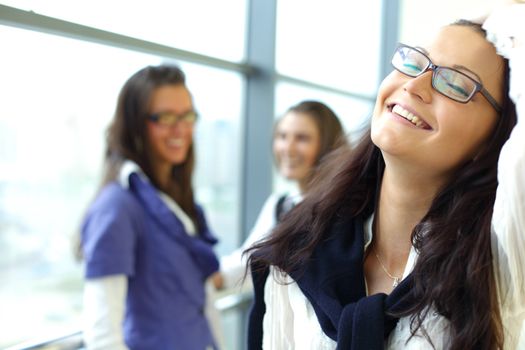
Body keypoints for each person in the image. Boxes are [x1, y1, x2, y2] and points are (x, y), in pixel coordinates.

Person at [247, 14, 525, 350]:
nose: (414, 86)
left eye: (454, 83)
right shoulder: (296, 259)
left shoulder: (500, 263)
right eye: (413, 63)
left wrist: (499, 17)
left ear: (497, 137)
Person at [80, 64, 220, 349]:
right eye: (166, 117)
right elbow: (102, 335)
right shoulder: (118, 207)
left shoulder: (174, 199)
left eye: (187, 116)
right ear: (135, 125)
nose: (180, 128)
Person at [217, 101, 348, 290]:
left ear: (328, 145)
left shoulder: (341, 208)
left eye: (302, 138)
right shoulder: (280, 204)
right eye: (282, 136)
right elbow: (248, 260)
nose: (288, 148)